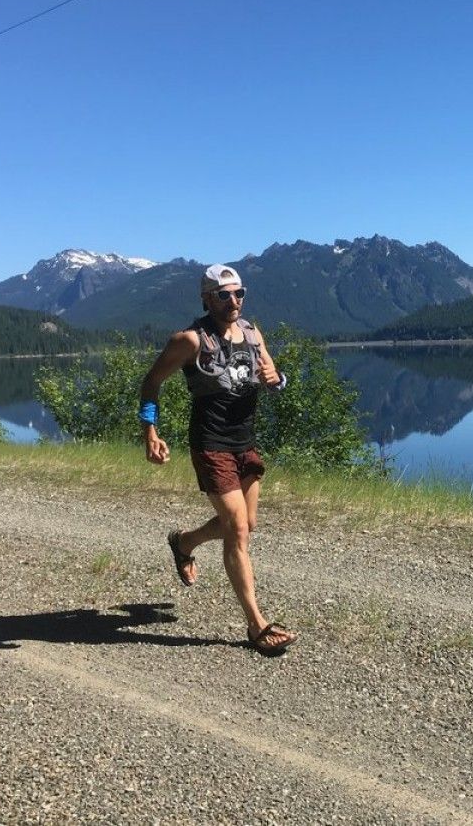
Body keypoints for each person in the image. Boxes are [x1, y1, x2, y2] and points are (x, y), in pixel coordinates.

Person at [137, 264, 297, 656]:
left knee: (245, 524)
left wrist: (280, 380)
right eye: (224, 295)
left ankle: (184, 542)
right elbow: (151, 382)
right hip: (210, 444)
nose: (233, 301)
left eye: (239, 293)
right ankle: (256, 625)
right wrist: (150, 432)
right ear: (206, 298)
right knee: (237, 530)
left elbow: (273, 381)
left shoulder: (254, 335)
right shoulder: (190, 341)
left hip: (245, 443)